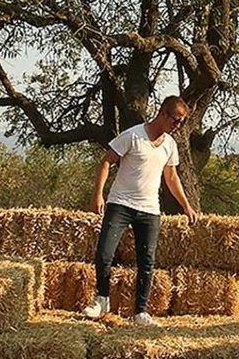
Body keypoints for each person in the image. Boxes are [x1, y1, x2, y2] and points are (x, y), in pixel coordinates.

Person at [85, 96, 199, 325]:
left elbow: (171, 177)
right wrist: (98, 195)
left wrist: (186, 205)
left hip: (149, 209)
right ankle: (102, 299)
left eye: (181, 122)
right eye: (176, 120)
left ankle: (140, 312)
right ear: (163, 114)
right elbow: (106, 162)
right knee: (105, 253)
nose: (177, 126)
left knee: (147, 260)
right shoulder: (133, 135)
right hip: (120, 203)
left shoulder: (170, 145)